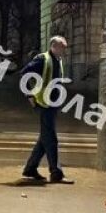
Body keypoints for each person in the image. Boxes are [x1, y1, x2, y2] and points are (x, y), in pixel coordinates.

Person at [20, 36, 72, 184]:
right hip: (43, 104)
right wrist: (29, 95)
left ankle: (30, 169)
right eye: (62, 47)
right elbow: (24, 73)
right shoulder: (43, 59)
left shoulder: (57, 60)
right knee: (51, 139)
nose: (65, 50)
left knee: (44, 139)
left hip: (52, 104)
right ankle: (56, 173)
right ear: (54, 46)